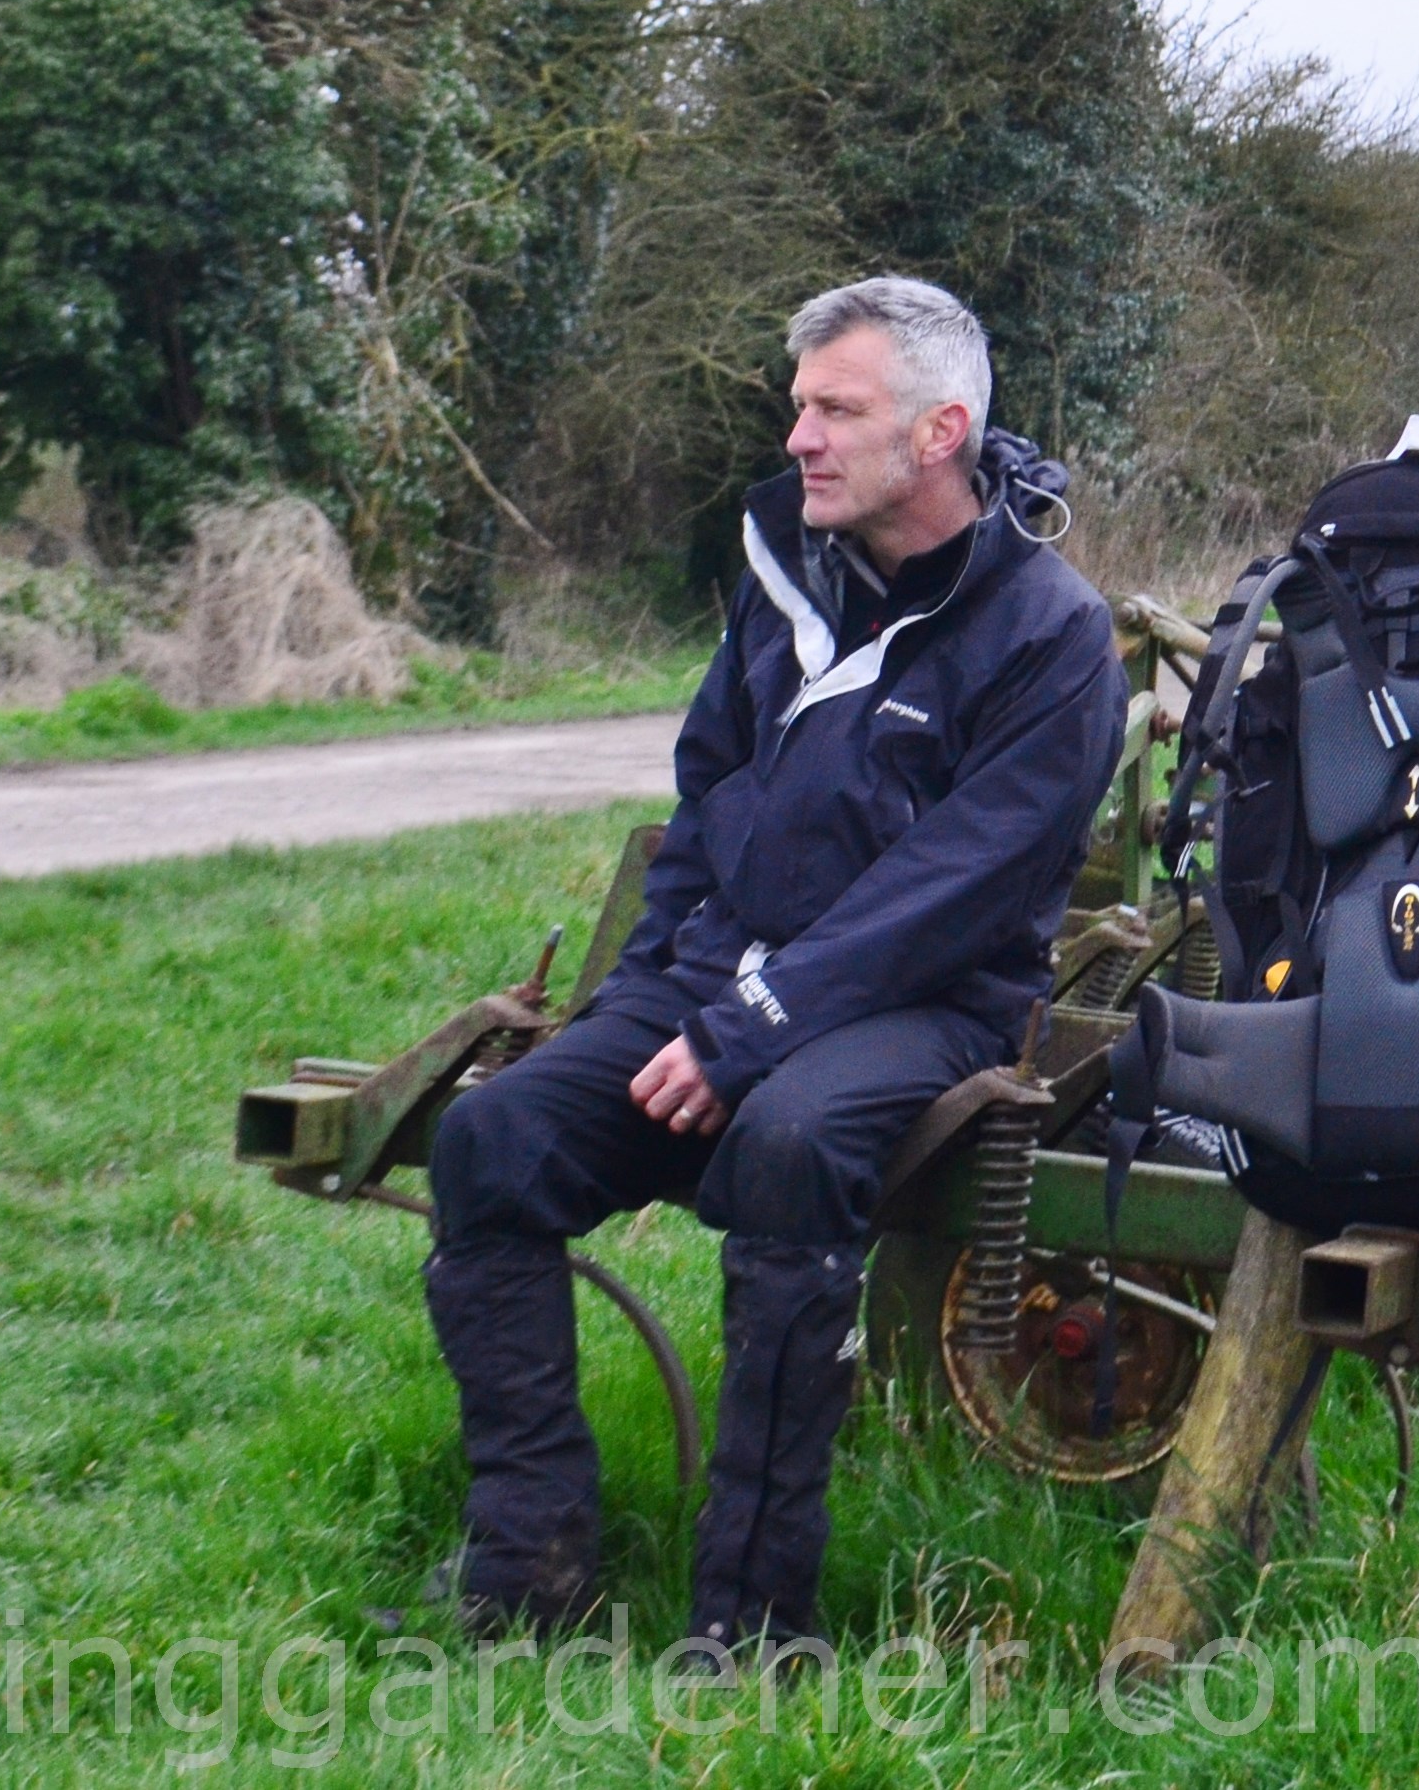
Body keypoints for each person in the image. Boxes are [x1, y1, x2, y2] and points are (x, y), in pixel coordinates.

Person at [424, 274, 1128, 1657]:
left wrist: (752, 1025)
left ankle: (750, 1624)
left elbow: (953, 893)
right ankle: (531, 1571)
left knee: (794, 1147)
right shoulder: (782, 580)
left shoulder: (1052, 637)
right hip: (719, 984)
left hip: (930, 1011)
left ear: (938, 435)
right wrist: (655, 994)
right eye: (797, 405)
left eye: (834, 409)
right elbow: (706, 800)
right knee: (493, 1143)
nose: (798, 437)